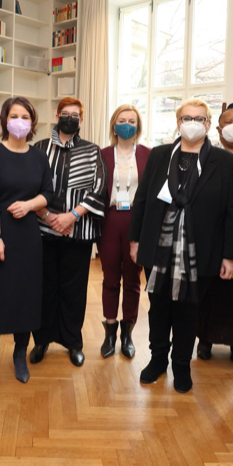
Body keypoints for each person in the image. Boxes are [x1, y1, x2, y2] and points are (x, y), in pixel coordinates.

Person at [129, 99, 233, 393]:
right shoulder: (159, 155)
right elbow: (142, 200)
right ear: (178, 122)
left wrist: (229, 255)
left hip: (201, 251)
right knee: (158, 308)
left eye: (200, 118)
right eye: (187, 117)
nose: (193, 122)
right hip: (157, 246)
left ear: (208, 125)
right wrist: (135, 240)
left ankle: (181, 365)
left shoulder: (225, 162)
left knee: (189, 311)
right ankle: (157, 361)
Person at [0, 97, 53, 390]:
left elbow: (48, 192)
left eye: (25, 116)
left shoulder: (38, 157)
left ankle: (20, 354)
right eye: (14, 115)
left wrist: (30, 204)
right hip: (1, 234)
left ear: (32, 123)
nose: (19, 120)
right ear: (4, 120)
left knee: (26, 295)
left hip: (28, 236)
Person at [29, 97, 106, 368]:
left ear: (81, 120)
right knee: (43, 288)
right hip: (43, 230)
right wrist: (49, 217)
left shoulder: (92, 150)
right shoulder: (38, 148)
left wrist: (72, 216)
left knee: (74, 290)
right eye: (65, 113)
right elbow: (30, 187)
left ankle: (73, 342)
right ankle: (41, 340)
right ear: (57, 114)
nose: (70, 118)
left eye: (75, 115)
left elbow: (99, 188)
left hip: (78, 232)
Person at [197, 102, 233, 364]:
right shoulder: (208, 156)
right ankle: (205, 339)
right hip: (215, 232)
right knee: (211, 287)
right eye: (227, 123)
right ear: (217, 129)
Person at [99, 104, 150, 358]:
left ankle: (127, 334)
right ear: (114, 125)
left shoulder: (149, 155)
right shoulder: (103, 154)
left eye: (131, 120)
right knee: (110, 278)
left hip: (136, 221)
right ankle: (109, 331)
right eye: (122, 119)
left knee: (132, 280)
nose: (127, 124)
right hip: (109, 221)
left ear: (138, 126)